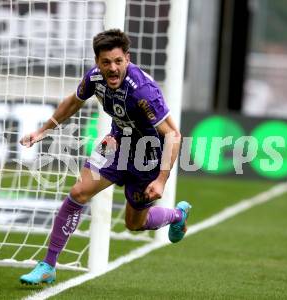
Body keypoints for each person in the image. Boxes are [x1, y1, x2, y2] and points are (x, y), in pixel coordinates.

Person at [19, 29, 192, 285]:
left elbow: (174, 135)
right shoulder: (95, 77)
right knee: (78, 192)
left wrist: (162, 181)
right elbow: (73, 101)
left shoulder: (143, 92)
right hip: (115, 145)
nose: (112, 68)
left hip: (147, 156)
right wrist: (43, 130)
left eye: (118, 61)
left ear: (127, 59)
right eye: (106, 62)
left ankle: (177, 216)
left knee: (135, 223)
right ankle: (48, 265)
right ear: (97, 62)